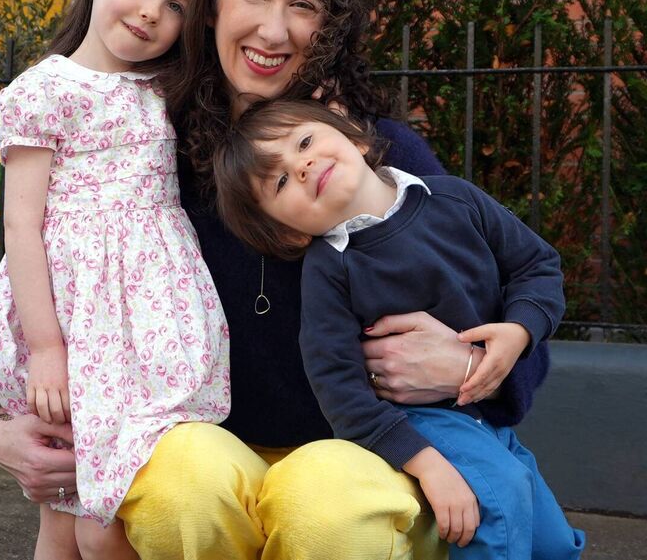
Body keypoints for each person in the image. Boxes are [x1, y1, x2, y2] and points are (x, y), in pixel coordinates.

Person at [0, 0, 551, 559]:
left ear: (329, 23)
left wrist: (472, 366)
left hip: (362, 464)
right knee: (174, 481)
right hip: (212, 467)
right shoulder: (149, 145)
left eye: (303, 4)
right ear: (213, 3)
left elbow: (522, 290)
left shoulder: (377, 155)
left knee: (322, 504)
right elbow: (61, 267)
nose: (274, 32)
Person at [213, 99, 586, 559]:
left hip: (488, 420)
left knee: (552, 543)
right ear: (285, 231)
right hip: (421, 421)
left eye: (305, 141)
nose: (304, 165)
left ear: (356, 136)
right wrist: (426, 462)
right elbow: (339, 388)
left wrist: (519, 332)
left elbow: (537, 265)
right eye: (282, 180)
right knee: (499, 509)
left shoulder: (455, 198)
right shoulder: (330, 269)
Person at [0, 0, 230, 560]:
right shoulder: (45, 89)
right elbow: (22, 227)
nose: (151, 12)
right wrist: (48, 348)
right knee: (62, 521)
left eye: (175, 5)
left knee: (113, 520)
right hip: (76, 319)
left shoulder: (168, 90)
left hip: (148, 328)